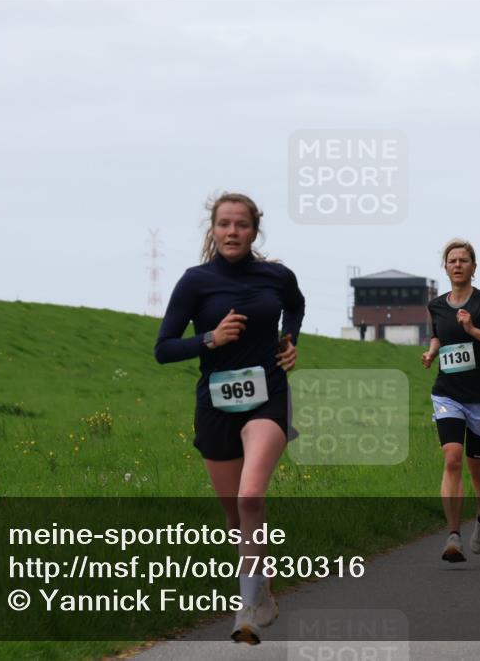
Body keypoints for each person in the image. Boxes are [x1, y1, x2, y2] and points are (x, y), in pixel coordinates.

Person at [154, 193, 305, 644]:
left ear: (254, 231)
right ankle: (263, 587)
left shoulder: (276, 276)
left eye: (241, 224)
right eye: (224, 224)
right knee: (235, 517)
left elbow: (295, 305)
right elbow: (163, 349)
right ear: (214, 229)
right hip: (215, 405)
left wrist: (289, 339)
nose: (232, 232)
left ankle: (246, 611)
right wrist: (210, 339)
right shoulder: (195, 282)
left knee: (250, 498)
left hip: (267, 397)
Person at [422, 239, 480, 561]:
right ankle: (453, 536)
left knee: (477, 467)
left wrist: (473, 329)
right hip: (447, 393)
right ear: (445, 267)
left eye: (464, 260)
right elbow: (438, 334)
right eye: (452, 260)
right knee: (452, 458)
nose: (458, 265)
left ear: (474, 267)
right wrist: (432, 352)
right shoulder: (436, 305)